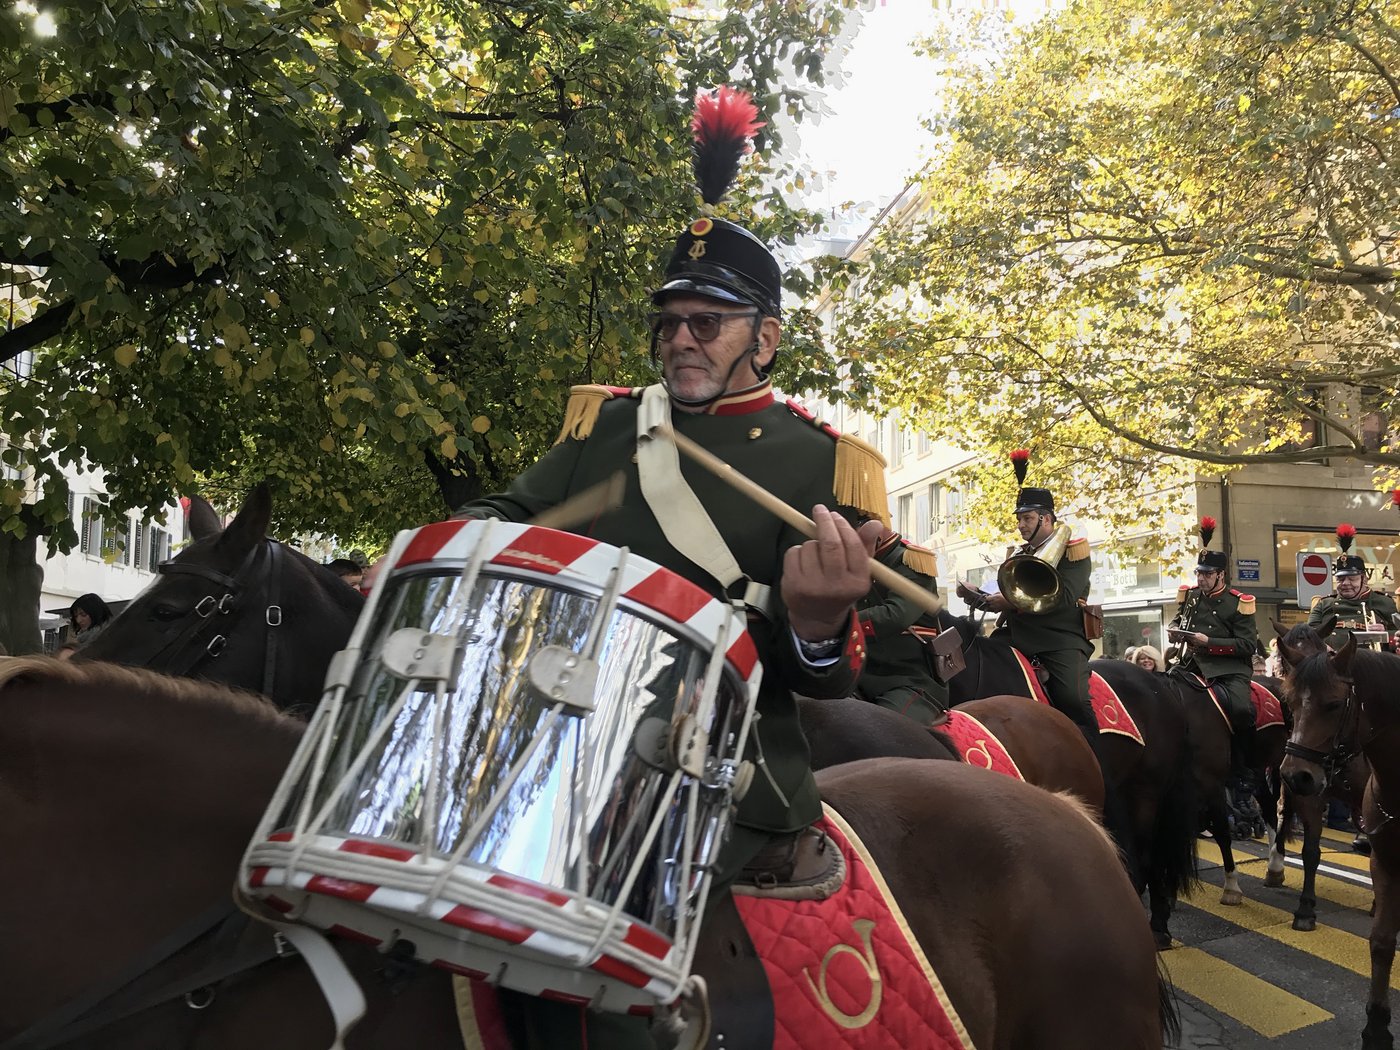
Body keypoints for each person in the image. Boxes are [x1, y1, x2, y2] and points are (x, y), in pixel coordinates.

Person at [448, 86, 889, 1047]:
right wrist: (433, 549)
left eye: (709, 323)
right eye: (670, 321)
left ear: (763, 338)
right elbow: (504, 515)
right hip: (565, 719)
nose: (680, 339)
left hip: (720, 757)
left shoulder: (823, 464)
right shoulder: (607, 424)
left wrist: (813, 626)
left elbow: (832, 674)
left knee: (603, 942)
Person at [956, 452, 1096, 740]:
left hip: (1058, 639)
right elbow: (1005, 596)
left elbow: (1064, 597)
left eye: (1027, 518)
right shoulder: (1020, 554)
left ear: (1046, 518)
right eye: (1020, 519)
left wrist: (1009, 603)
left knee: (1072, 697)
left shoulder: (1074, 550)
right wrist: (978, 597)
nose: (1021, 525)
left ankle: (1094, 753)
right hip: (1015, 635)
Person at [1169, 517, 1258, 798]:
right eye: (1199, 573)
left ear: (1221, 575)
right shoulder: (1191, 596)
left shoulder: (1238, 601)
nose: (1201, 579)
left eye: (1207, 574)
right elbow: (1179, 620)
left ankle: (1244, 765)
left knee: (1241, 709)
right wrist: (1175, 633)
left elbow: (1247, 645)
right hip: (1190, 664)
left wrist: (1210, 643)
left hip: (1228, 669)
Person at [854, 523, 948, 724]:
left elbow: (896, 615)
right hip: (856, 676)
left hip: (907, 680)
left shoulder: (911, 559)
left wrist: (839, 622)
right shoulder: (852, 562)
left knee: (883, 731)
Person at [1307, 523, 1398, 647]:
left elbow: (1397, 636)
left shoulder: (1385, 602)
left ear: (1364, 579)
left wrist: (1384, 634)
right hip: (1330, 662)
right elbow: (1308, 636)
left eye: (1352, 578)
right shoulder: (1323, 604)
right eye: (1340, 579)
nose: (1345, 583)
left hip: (1372, 663)